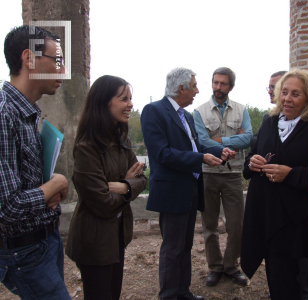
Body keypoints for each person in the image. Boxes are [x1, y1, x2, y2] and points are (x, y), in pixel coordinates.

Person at [241, 69, 308, 300]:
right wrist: (252, 162)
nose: (287, 98)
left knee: (297, 277)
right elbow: (254, 155)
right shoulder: (269, 122)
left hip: (296, 217)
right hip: (266, 211)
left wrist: (292, 174)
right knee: (277, 274)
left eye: (296, 94)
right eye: (284, 92)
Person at [141, 67, 234, 300]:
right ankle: (170, 295)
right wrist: (200, 158)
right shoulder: (154, 111)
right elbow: (162, 153)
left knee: (185, 245)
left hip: (191, 188)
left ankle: (183, 292)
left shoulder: (187, 116)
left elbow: (196, 148)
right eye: (194, 86)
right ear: (180, 88)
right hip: (172, 190)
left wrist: (218, 150)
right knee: (172, 248)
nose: (198, 90)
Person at [0, 25, 70, 299]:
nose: (62, 71)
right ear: (29, 59)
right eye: (57, 61)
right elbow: (6, 207)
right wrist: (55, 185)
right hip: (23, 251)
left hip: (45, 240)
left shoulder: (28, 111)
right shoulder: (4, 114)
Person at [65, 75, 147, 300]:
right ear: (103, 102)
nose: (130, 104)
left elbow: (142, 179)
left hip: (116, 235)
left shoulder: (122, 140)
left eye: (131, 98)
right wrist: (130, 185)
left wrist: (121, 187)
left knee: (113, 294)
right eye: (123, 99)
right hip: (94, 242)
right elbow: (101, 203)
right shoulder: (87, 148)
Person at [193, 67, 251, 286]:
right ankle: (215, 267)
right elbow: (201, 142)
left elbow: (248, 139)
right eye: (215, 82)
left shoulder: (242, 110)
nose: (218, 87)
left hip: (233, 174)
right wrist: (230, 140)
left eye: (223, 84)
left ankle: (231, 266)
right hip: (207, 173)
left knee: (236, 224)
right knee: (209, 225)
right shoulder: (199, 111)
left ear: (231, 86)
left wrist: (218, 141)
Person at [250, 71, 287, 147]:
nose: (269, 91)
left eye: (273, 87)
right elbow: (254, 141)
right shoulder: (269, 115)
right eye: (269, 87)